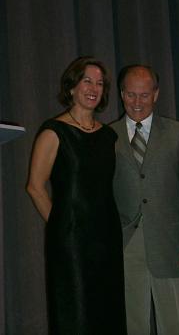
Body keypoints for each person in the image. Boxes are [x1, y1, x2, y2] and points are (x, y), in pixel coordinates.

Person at [26, 56, 127, 335]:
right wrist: (62, 225)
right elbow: (35, 186)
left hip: (107, 236)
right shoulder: (53, 131)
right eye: (87, 80)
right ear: (72, 87)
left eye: (99, 83)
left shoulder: (109, 137)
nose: (94, 87)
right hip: (71, 242)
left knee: (108, 311)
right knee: (77, 315)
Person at [111, 64, 179, 335]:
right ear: (121, 94)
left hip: (173, 248)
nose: (137, 102)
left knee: (176, 325)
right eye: (130, 95)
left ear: (156, 94)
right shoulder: (107, 136)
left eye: (144, 95)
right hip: (125, 245)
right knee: (132, 324)